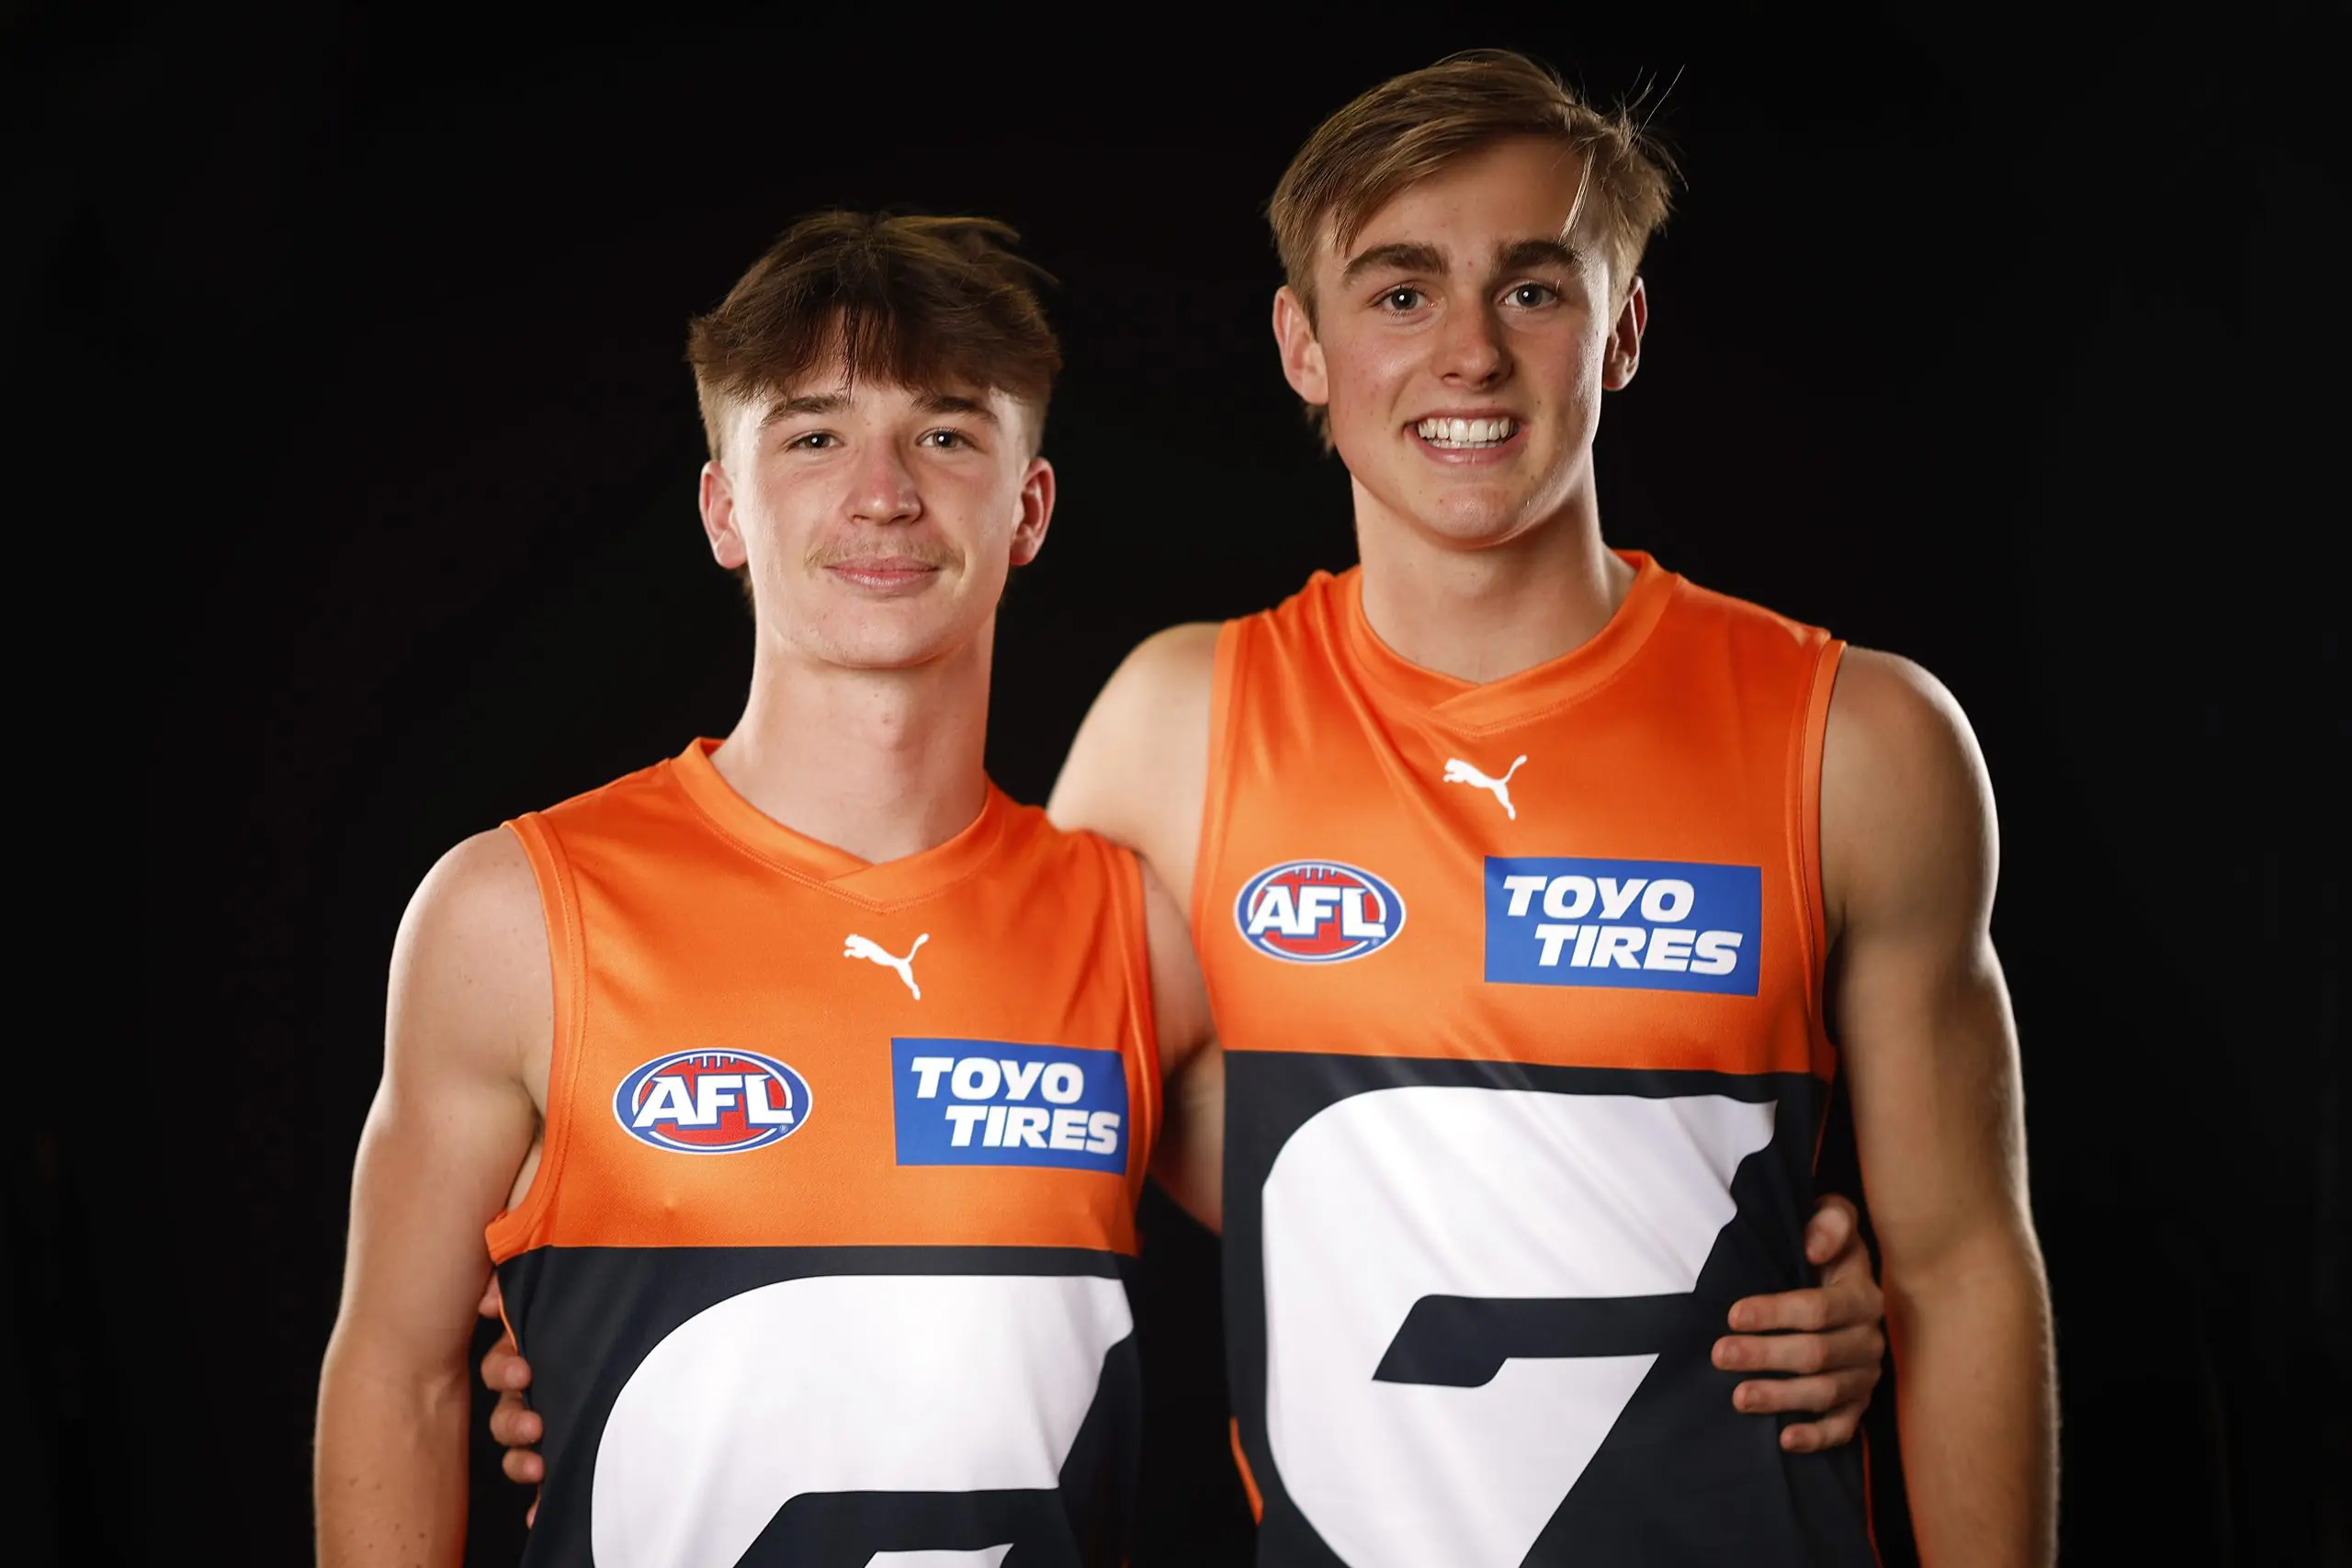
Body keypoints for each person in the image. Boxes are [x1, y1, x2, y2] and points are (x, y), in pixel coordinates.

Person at [432, 203, 1891, 1564]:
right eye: (812, 439)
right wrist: (590, 1327)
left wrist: (1775, 1288)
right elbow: (401, 1367)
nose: (879, 495)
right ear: (722, 510)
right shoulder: (514, 910)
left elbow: (1417, 1185)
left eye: (944, 436)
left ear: (1032, 506)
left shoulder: (1119, 928)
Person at [1050, 49, 2057, 1567]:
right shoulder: (1179, 725)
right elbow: (984, 1115)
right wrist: (552, 1319)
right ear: (1302, 346)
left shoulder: (1857, 738)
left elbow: (1968, 1265)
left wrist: (1850, 1280)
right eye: (1398, 294)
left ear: (1622, 330)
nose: (1467, 353)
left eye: (1533, 289)